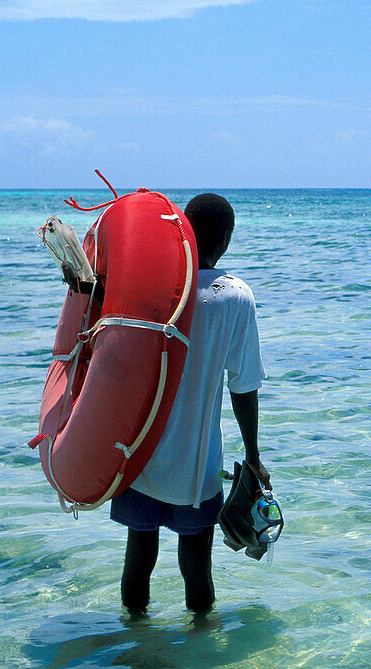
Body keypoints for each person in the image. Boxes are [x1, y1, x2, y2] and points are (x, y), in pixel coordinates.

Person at [110, 192, 270, 615]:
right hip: (196, 465)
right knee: (197, 564)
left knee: (138, 556)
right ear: (227, 239)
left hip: (140, 453)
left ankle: (136, 645)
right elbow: (244, 386)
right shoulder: (233, 296)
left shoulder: (153, 288)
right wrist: (253, 456)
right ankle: (201, 647)